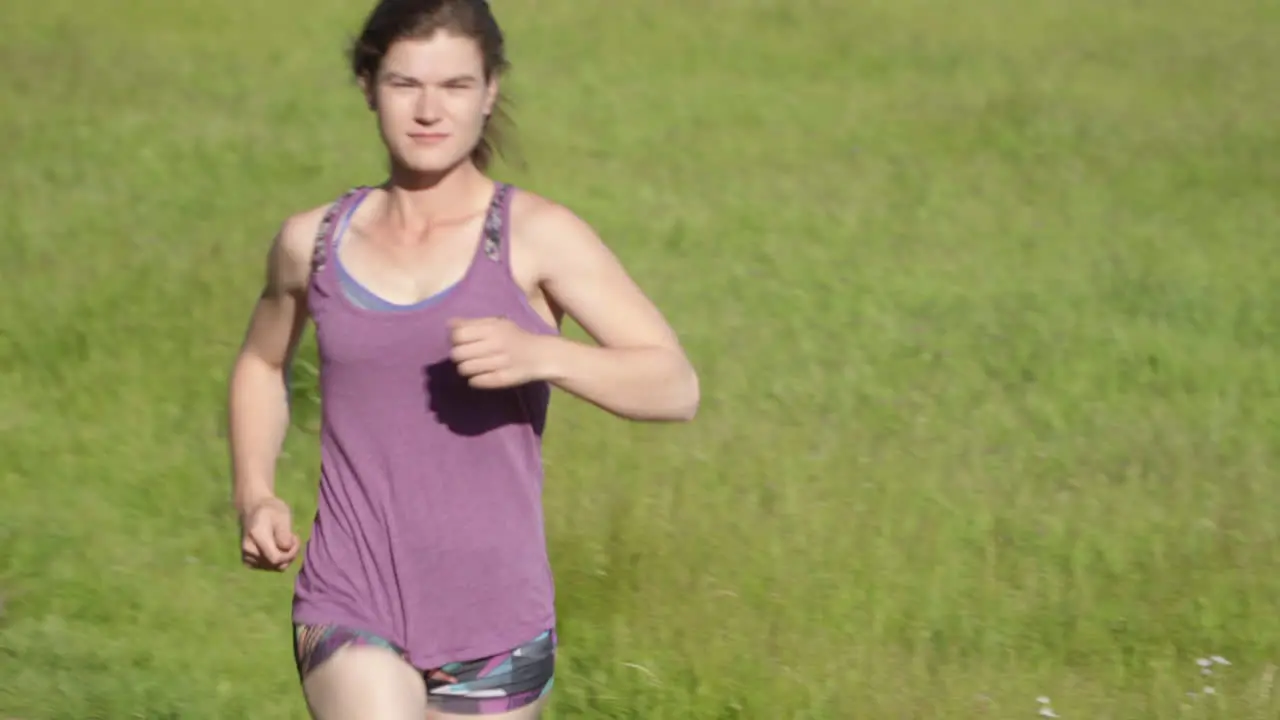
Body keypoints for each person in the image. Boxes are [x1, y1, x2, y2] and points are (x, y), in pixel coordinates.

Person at [224, 0, 700, 717]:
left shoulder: (538, 237)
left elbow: (675, 385)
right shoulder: (313, 243)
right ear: (367, 86)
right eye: (404, 83)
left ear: (489, 92)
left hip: (497, 616)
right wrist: (254, 492)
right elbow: (262, 364)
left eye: (454, 86)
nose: (428, 110)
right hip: (351, 594)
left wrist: (544, 354)